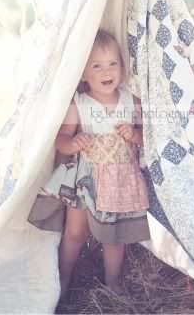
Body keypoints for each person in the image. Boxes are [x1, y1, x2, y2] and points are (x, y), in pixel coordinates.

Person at [44, 29, 150, 294]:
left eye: (113, 63)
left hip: (119, 182)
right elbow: (61, 139)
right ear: (83, 73)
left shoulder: (131, 101)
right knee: (75, 233)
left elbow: (148, 139)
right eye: (97, 66)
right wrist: (74, 142)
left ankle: (112, 286)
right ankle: (63, 280)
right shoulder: (79, 104)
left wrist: (134, 134)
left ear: (122, 67)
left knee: (114, 239)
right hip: (86, 179)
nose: (107, 72)